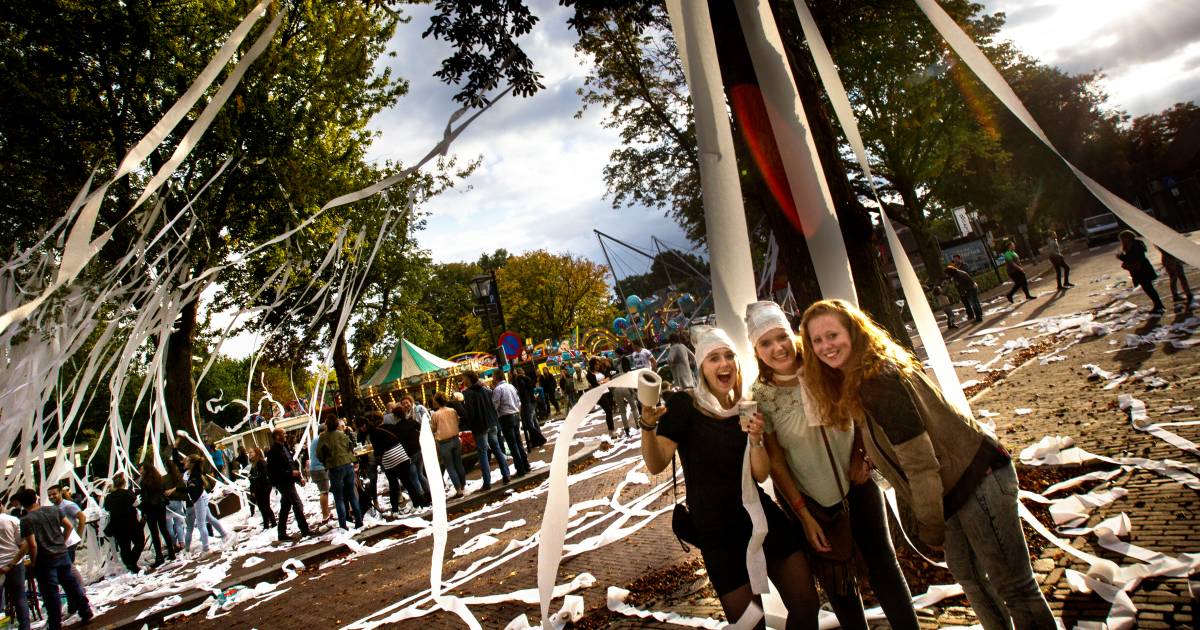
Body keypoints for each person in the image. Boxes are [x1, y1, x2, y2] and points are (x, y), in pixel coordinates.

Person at [800, 299, 1055, 629]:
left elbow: (920, 462)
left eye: (832, 335)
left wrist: (929, 525)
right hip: (947, 493)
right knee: (973, 582)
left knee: (1016, 588)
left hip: (977, 481)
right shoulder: (859, 378)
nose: (824, 346)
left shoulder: (878, 380)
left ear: (853, 331)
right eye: (816, 341)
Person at [746, 301, 920, 630]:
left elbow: (860, 411)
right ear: (755, 349)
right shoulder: (760, 394)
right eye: (765, 343)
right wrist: (804, 515)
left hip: (858, 484)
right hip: (812, 501)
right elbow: (778, 462)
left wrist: (860, 455)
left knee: (884, 567)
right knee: (840, 584)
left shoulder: (822, 366)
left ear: (792, 334)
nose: (777, 348)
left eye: (781, 337)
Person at [639, 326, 820, 627]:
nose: (723, 363)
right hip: (718, 533)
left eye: (728, 356)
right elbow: (657, 463)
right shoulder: (685, 406)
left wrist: (757, 439)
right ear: (701, 368)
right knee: (751, 624)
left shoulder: (746, 407)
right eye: (713, 358)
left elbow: (760, 475)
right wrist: (647, 426)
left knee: (806, 603)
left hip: (759, 517)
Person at [15, 487, 93, 628]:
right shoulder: (53, 510)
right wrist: (61, 542)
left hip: (45, 560)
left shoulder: (26, 520)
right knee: (71, 585)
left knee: (51, 593)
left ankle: (55, 623)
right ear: (36, 498)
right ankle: (85, 611)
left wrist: (33, 562)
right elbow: (69, 526)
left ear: (22, 504)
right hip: (62, 553)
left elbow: (32, 544)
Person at [460, 371, 512, 491]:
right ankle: (506, 474)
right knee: (497, 449)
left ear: (469, 379)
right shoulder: (487, 390)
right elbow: (493, 406)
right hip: (491, 423)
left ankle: (487, 482)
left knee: (483, 453)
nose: (463, 382)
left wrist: (469, 424)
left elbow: (470, 413)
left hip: (479, 427)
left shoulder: (468, 393)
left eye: (464, 379)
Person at [367, 412, 426, 513]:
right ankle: (418, 503)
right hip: (401, 455)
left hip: (389, 459)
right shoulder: (391, 427)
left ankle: (395, 509)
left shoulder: (374, 433)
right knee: (408, 481)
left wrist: (378, 457)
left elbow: (378, 450)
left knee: (393, 483)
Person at [317, 416, 363, 530]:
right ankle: (359, 521)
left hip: (334, 467)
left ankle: (343, 525)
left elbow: (319, 454)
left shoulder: (323, 437)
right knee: (352, 494)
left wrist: (325, 460)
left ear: (326, 425)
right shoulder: (341, 434)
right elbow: (350, 445)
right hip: (347, 464)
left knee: (339, 498)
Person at [267, 429, 312, 541]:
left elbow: (291, 464)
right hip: (283, 482)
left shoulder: (284, 447)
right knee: (297, 504)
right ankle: (304, 530)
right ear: (277, 436)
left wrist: (299, 477)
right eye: (283, 434)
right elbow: (275, 470)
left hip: (289, 480)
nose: (286, 435)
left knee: (286, 506)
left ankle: (281, 533)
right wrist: (291, 474)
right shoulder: (273, 452)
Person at [183, 456, 228, 553]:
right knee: (209, 518)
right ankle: (224, 534)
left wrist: (182, 489)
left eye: (186, 461)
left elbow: (194, 488)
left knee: (201, 524)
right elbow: (191, 488)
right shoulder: (191, 474)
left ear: (192, 464)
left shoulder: (195, 474)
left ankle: (206, 548)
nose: (184, 463)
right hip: (199, 499)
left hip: (199, 499)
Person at [1117, 230, 1165, 314]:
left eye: (1123, 238)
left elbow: (1136, 256)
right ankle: (1157, 304)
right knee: (1147, 287)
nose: (1123, 241)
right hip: (1137, 270)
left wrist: (1123, 258)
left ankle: (1158, 304)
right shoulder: (1130, 245)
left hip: (1143, 268)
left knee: (1148, 287)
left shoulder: (1137, 244)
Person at [492, 374, 531, 476]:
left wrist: (496, 415)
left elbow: (495, 405)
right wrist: (517, 411)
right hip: (515, 415)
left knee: (512, 444)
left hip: (506, 417)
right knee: (518, 442)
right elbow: (518, 401)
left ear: (496, 378)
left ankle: (520, 469)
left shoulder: (498, 389)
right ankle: (526, 465)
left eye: (493, 377)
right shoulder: (511, 386)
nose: (492, 379)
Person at [103, 473, 144, 572]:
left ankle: (130, 563)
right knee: (139, 542)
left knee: (124, 546)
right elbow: (137, 504)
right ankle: (132, 562)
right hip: (131, 523)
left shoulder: (109, 497)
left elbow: (107, 508)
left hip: (117, 525)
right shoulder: (128, 493)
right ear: (124, 483)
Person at [138, 461, 176, 567]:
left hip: (151, 508)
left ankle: (159, 557)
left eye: (141, 469)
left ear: (146, 469)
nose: (139, 471)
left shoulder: (144, 481)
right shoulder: (158, 478)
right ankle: (171, 552)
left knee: (154, 533)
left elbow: (145, 497)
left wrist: (143, 510)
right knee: (164, 529)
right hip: (160, 505)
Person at [397, 396, 434, 506]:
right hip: (418, 447)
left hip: (413, 450)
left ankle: (422, 497)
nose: (406, 405)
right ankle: (429, 494)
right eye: (403, 404)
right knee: (420, 474)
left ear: (411, 401)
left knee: (415, 476)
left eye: (407, 403)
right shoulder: (410, 419)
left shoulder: (419, 409)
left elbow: (426, 424)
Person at [431, 393, 468, 497]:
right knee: (459, 463)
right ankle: (463, 484)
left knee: (450, 466)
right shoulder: (453, 411)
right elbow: (457, 421)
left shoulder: (435, 414)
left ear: (437, 402)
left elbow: (433, 428)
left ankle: (458, 490)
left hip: (444, 443)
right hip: (455, 439)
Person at [0, 506, 31, 630]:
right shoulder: (13, 520)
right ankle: (25, 627)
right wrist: (12, 563)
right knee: (20, 597)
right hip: (15, 564)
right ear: (1, 505)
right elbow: (23, 544)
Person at [46, 485, 84, 563]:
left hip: (70, 540)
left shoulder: (68, 505)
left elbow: (82, 518)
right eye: (49, 495)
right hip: (62, 540)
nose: (51, 497)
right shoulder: (53, 507)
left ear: (60, 493)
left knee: (68, 565)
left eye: (54, 494)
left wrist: (79, 536)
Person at [513, 367, 547, 448]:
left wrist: (516, 376)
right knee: (534, 421)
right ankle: (536, 441)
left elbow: (521, 391)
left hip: (527, 403)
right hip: (532, 401)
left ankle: (540, 439)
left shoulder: (520, 380)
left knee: (529, 423)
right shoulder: (527, 379)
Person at [611, 348, 640, 437]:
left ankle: (626, 429)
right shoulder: (624, 361)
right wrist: (633, 389)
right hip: (626, 385)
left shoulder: (618, 364)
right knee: (634, 407)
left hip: (617, 388)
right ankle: (638, 425)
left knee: (622, 411)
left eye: (615, 353)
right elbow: (629, 373)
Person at [307, 427, 333, 524]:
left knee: (324, 491)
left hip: (315, 469)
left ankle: (326, 512)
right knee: (324, 492)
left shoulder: (315, 440)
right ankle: (325, 515)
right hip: (320, 468)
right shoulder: (320, 440)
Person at [585, 357, 616, 435]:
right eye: (596, 364)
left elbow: (608, 376)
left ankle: (611, 429)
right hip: (599, 394)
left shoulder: (600, 371)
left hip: (607, 392)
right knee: (608, 410)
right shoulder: (589, 374)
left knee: (610, 411)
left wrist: (603, 381)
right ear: (592, 365)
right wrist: (604, 381)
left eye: (598, 364)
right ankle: (611, 431)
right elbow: (595, 384)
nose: (598, 366)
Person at [248, 447, 276, 530]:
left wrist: (253, 477)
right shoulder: (254, 464)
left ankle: (273, 523)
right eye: (249, 453)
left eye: (251, 452)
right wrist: (252, 489)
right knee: (261, 507)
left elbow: (263, 475)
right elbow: (252, 478)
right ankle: (266, 524)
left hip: (264, 487)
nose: (249, 454)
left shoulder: (261, 462)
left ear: (256, 453)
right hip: (258, 488)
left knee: (265, 506)